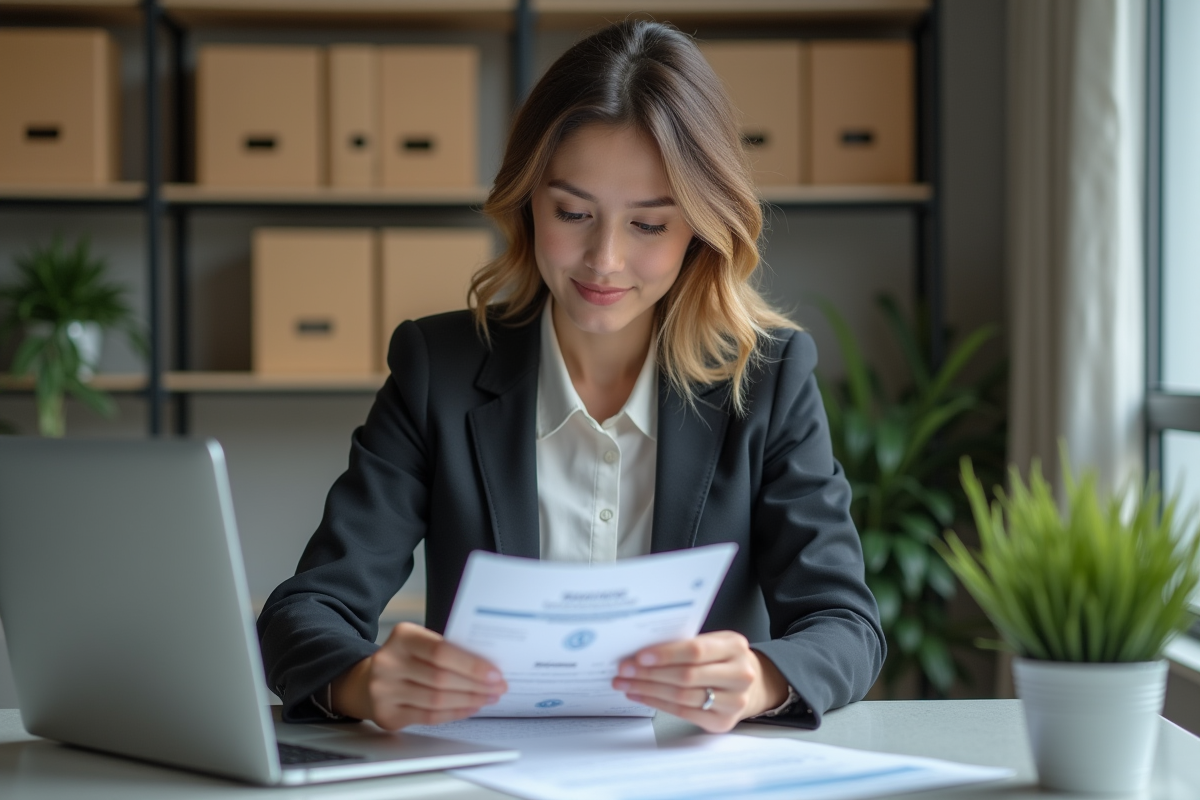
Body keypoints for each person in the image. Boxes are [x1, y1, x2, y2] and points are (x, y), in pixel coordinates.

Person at [258, 19, 884, 735]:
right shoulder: (440, 369)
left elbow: (844, 625)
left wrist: (761, 679)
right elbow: (304, 612)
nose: (603, 260)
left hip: (689, 777)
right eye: (573, 212)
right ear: (527, 202)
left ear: (703, 229)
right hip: (488, 775)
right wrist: (362, 681)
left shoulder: (768, 376)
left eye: (649, 225)